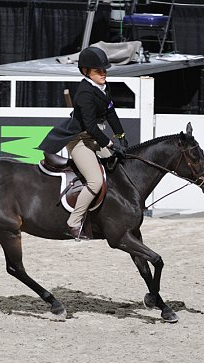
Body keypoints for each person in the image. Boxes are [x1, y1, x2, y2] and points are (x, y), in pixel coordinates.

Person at [38, 46, 128, 240]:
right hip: (79, 141)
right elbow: (90, 126)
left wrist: (121, 136)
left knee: (119, 164)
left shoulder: (104, 87)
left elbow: (111, 113)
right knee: (95, 182)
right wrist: (111, 145)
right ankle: (74, 222)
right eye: (98, 70)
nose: (103, 73)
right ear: (86, 71)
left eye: (105, 70)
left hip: (96, 138)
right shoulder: (84, 94)